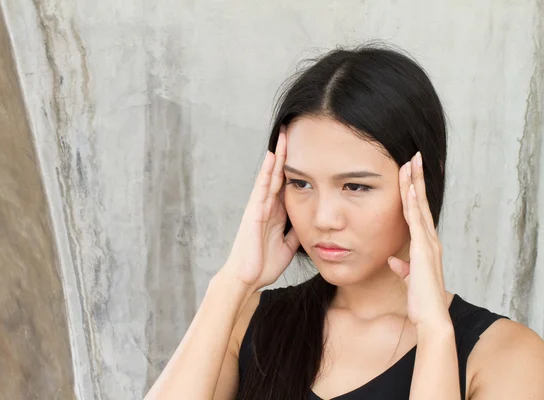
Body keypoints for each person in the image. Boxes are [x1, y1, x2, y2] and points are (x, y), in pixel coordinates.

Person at [144, 46, 544, 400]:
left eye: (355, 186)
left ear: (425, 180)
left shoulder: (506, 355)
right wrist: (232, 283)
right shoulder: (247, 324)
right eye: (300, 183)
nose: (323, 218)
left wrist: (436, 337)